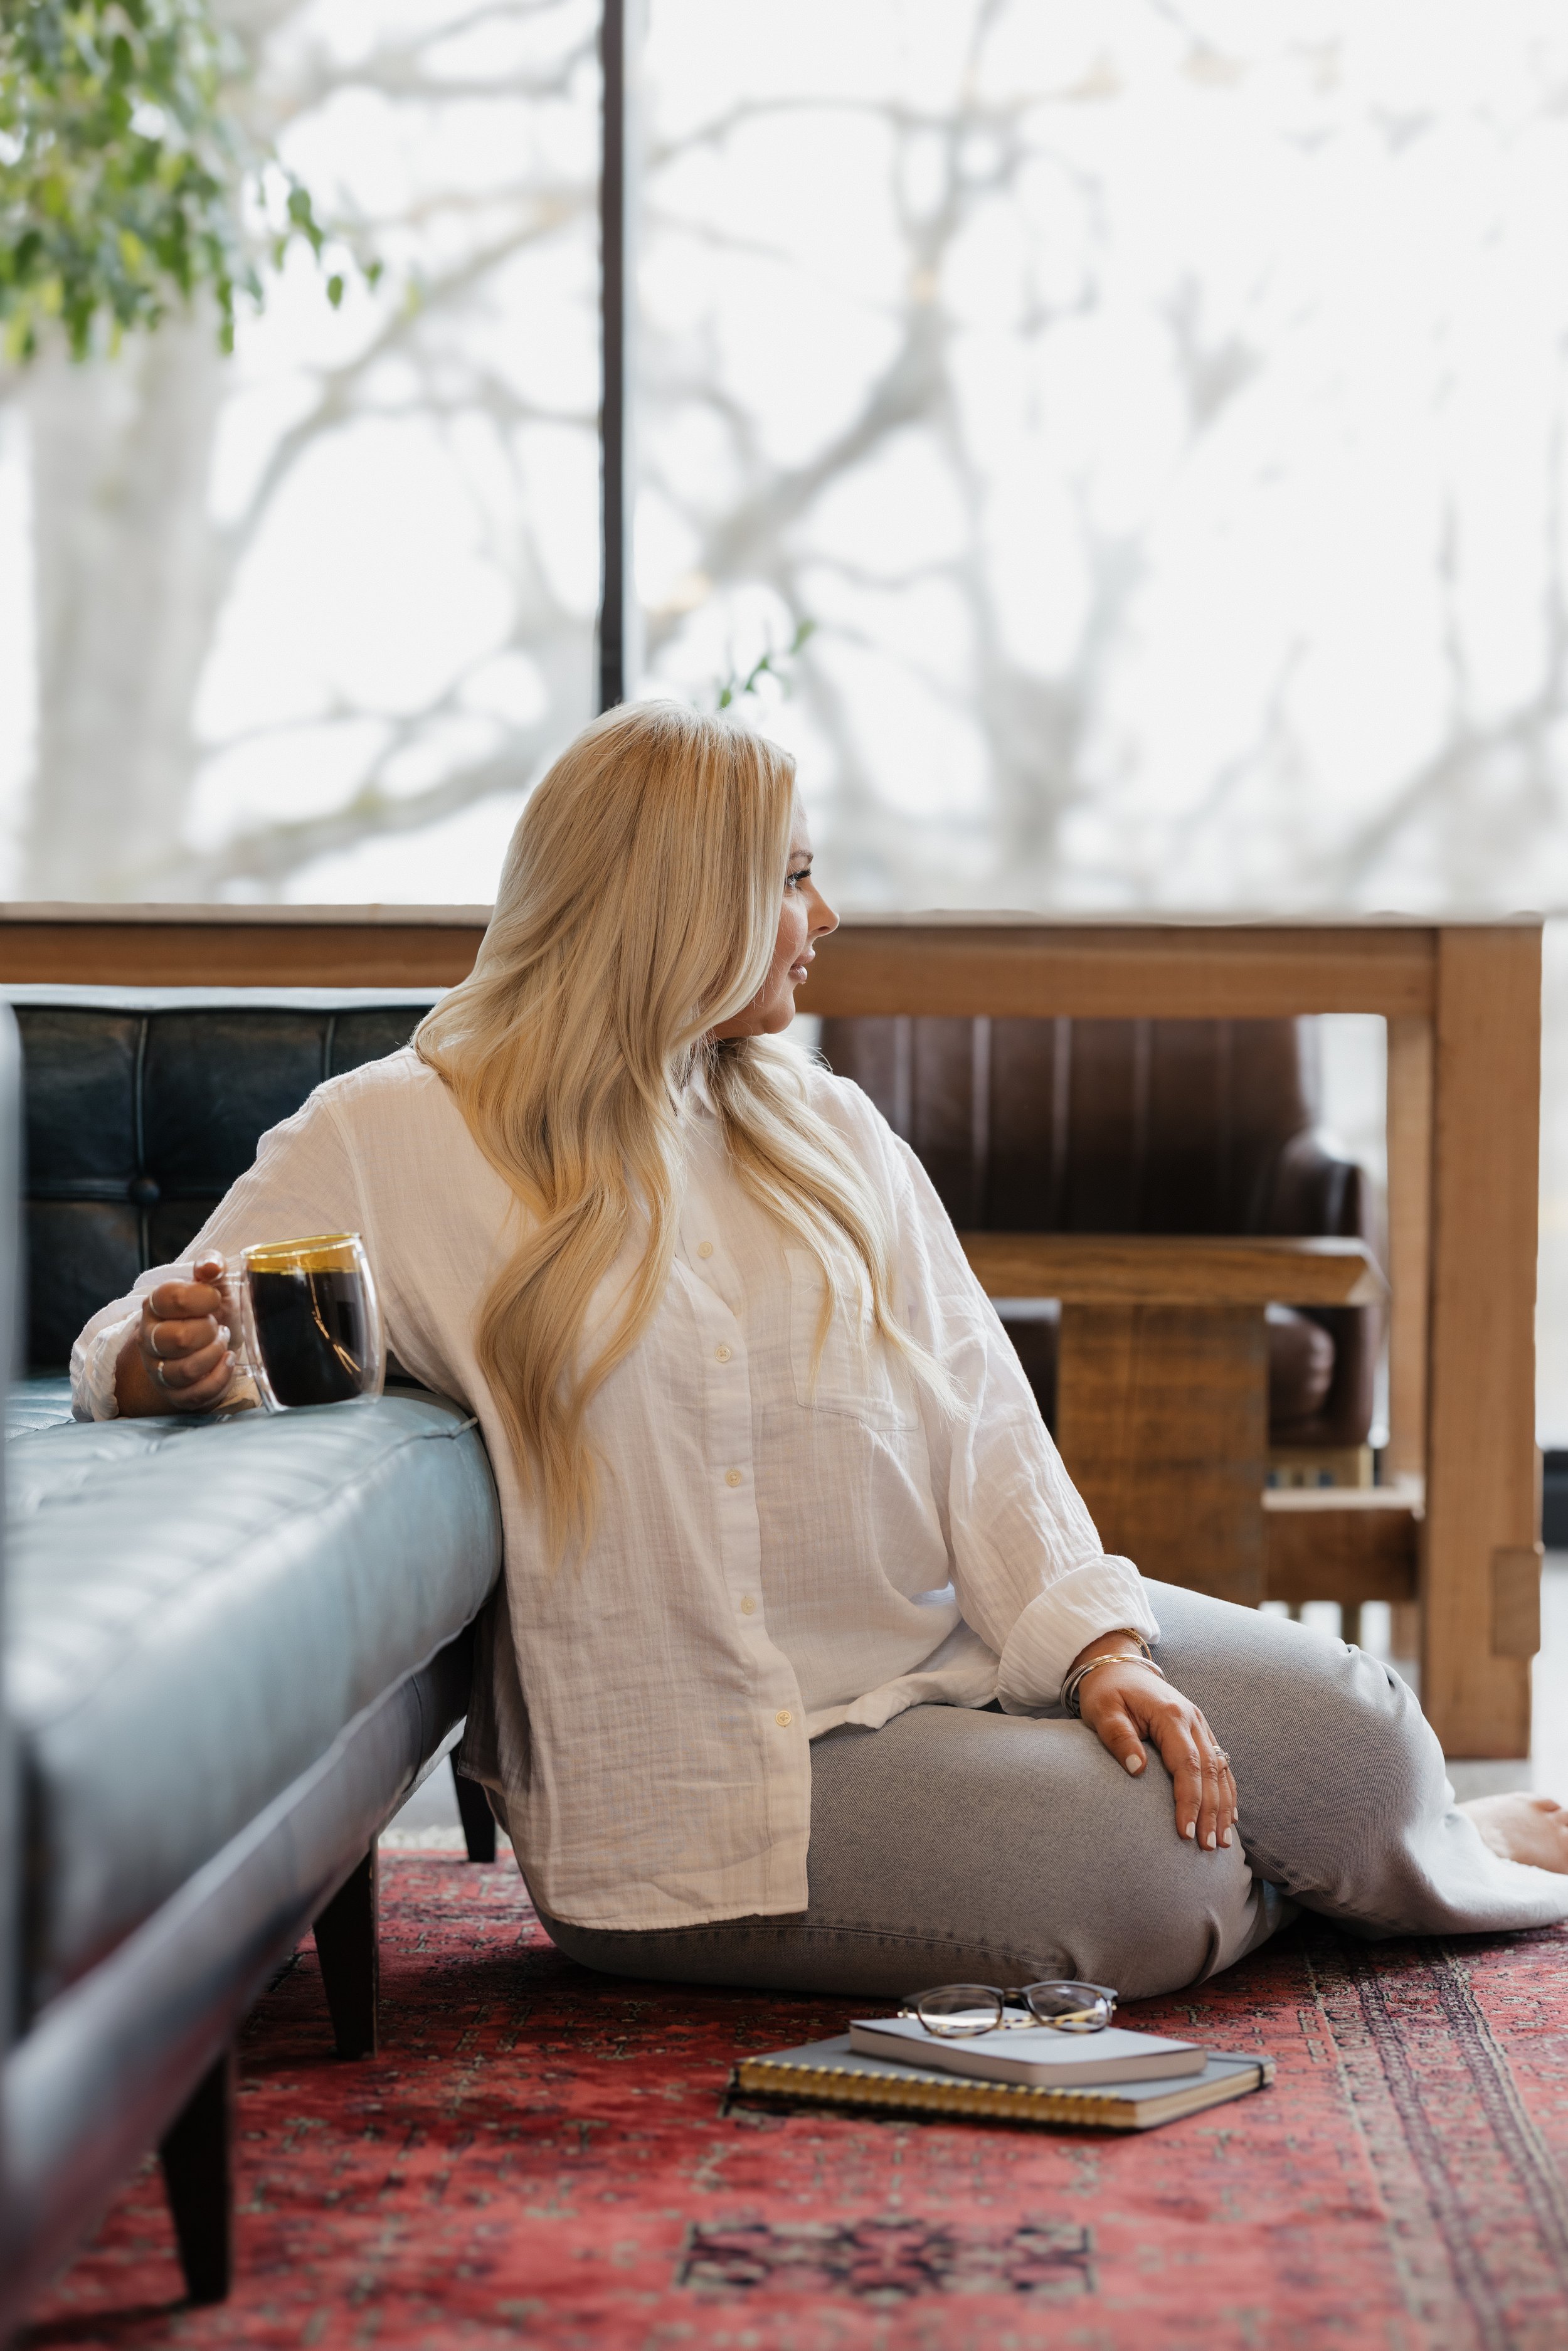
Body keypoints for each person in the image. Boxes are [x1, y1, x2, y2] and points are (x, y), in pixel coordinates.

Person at [73, 703, 1568, 2002]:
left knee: (1360, 1738)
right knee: (1138, 1871)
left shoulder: (822, 1123)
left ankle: (1379, 1843)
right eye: (792, 876)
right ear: (679, 901)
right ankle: (1362, 1872)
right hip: (721, 1780)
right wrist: (176, 1361)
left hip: (944, 1648)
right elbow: (137, 1330)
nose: (825, 913)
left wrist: (1094, 1647)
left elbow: (983, 1412)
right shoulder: (397, 1130)